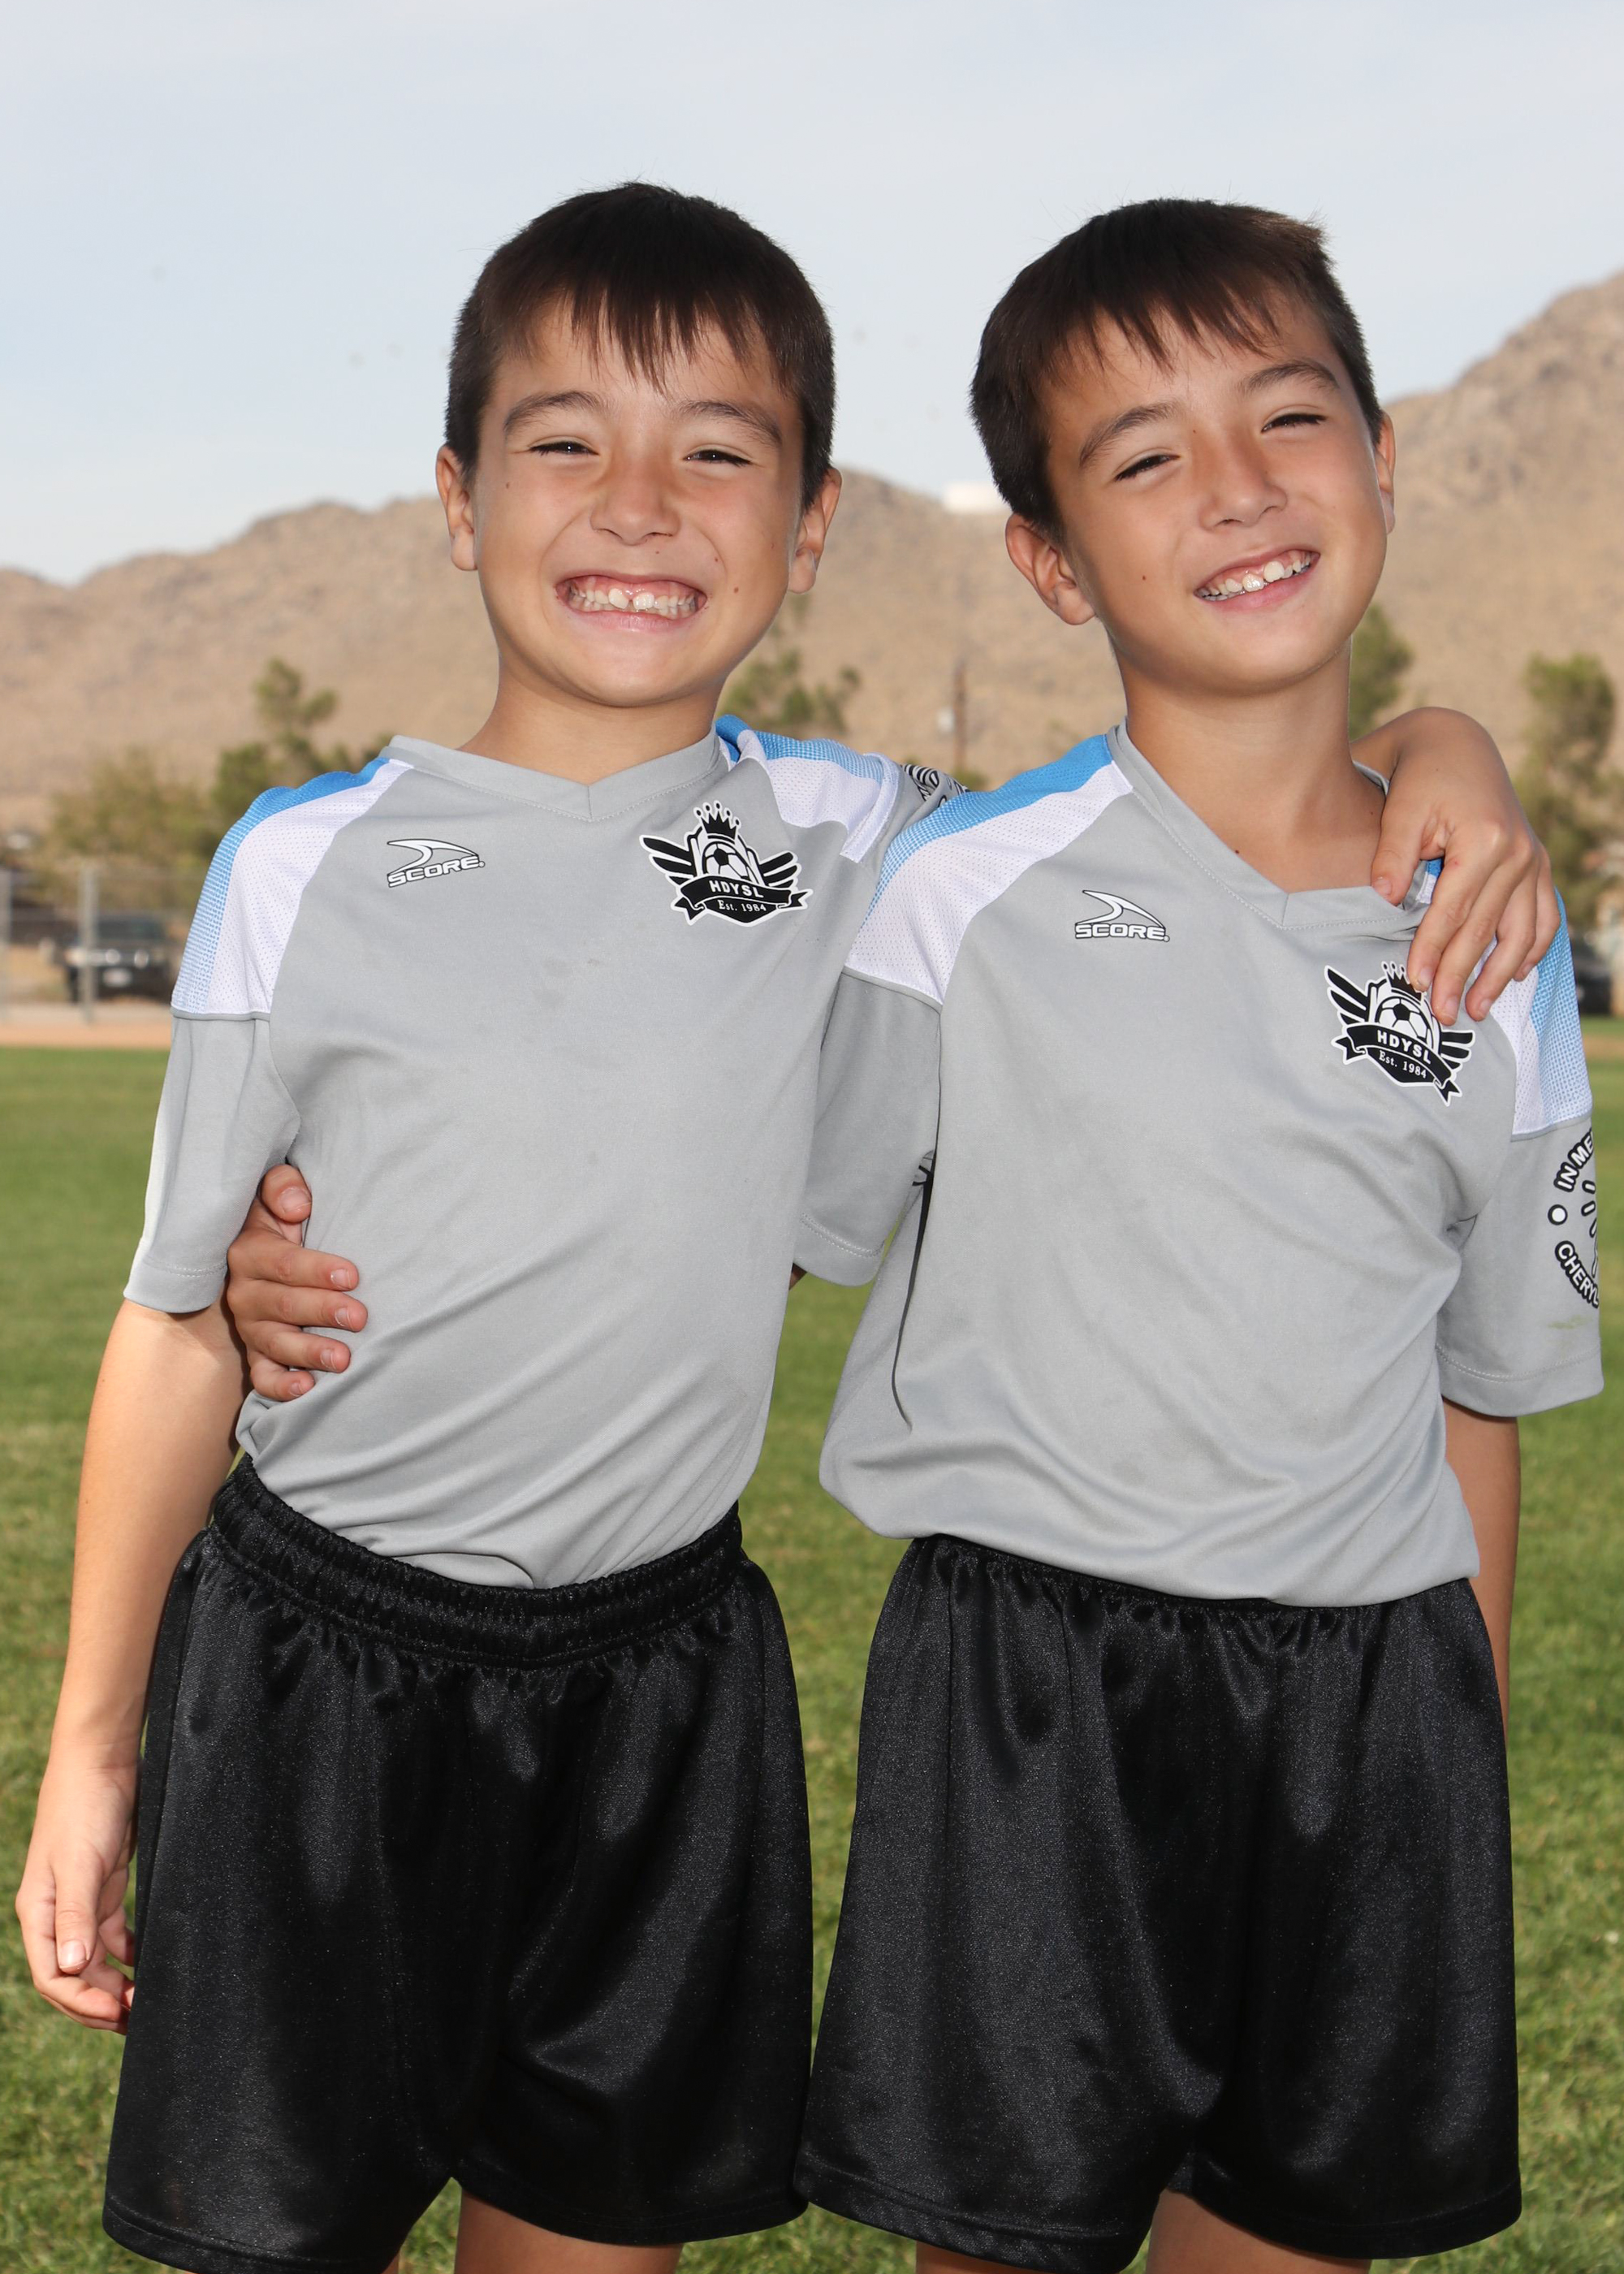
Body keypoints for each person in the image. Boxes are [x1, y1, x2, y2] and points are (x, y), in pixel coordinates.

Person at [22, 179, 1553, 2274]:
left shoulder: (870, 842)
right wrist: (91, 1745)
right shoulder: (303, 863)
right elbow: (177, 1319)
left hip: (665, 1684)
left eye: (718, 453)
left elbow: (1209, 777)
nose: (640, 505)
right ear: (458, 498)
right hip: (314, 1661)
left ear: (811, 521)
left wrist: (1442, 742)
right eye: (567, 442)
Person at [786, 199, 1603, 2274]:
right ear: (1052, 559)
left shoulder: (1494, 940)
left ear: (1383, 458)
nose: (1236, 486)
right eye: (1144, 455)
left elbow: (1479, 1391)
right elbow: (745, 1222)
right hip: (1030, 1689)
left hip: (1372, 1706)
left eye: (1288, 417)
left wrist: (1450, 1764)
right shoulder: (961, 894)